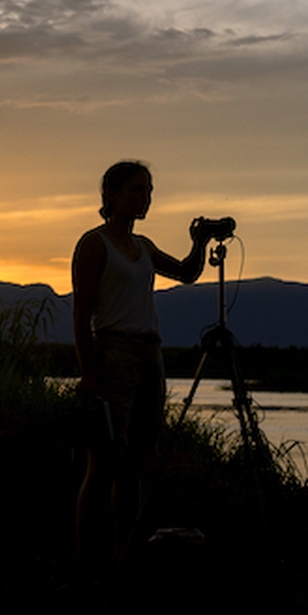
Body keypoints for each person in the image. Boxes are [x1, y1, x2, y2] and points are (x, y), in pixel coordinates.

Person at [71, 161, 210, 565]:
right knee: (104, 463)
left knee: (134, 463)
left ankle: (124, 556)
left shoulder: (143, 246)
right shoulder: (94, 244)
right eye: (136, 189)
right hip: (113, 351)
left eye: (148, 190)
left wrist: (199, 242)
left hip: (150, 352)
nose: (144, 198)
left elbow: (186, 273)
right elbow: (81, 314)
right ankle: (87, 563)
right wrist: (89, 373)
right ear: (111, 195)